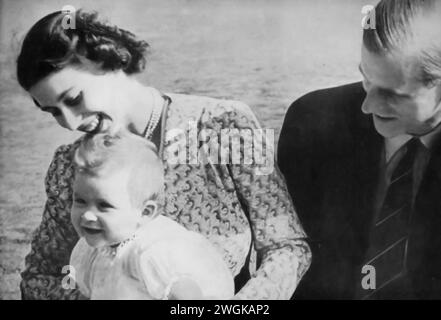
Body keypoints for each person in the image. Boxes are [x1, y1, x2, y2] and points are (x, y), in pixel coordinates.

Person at [17, 10, 311, 300]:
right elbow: (40, 277)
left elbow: (287, 248)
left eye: (73, 99)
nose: (70, 122)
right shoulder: (72, 164)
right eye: (53, 111)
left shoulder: (225, 124)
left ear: (109, 63)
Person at [278, 0, 441, 299]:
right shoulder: (311, 122)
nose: (369, 106)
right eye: (367, 78)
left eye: (393, 93)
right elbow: (285, 252)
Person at [69, 132, 234, 300]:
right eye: (80, 201)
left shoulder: (154, 253)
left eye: (104, 206)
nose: (88, 215)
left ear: (144, 213)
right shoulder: (90, 249)